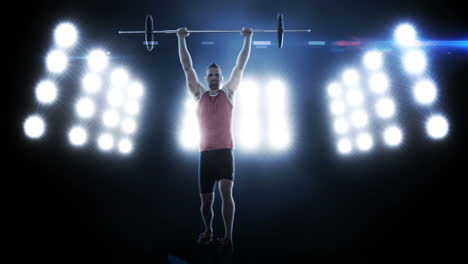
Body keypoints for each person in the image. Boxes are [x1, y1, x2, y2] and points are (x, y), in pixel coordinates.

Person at [177, 26, 253, 252]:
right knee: (206, 202)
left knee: (226, 193)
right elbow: (186, 67)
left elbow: (240, 65)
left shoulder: (228, 92)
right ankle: (209, 230)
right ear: (206, 77)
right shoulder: (198, 93)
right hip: (205, 154)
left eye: (216, 75)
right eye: (209, 75)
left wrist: (248, 39)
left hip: (225, 152)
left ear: (221, 77)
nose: (213, 77)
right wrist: (181, 38)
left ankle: (228, 236)